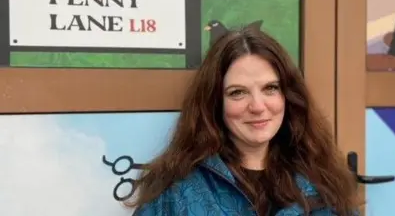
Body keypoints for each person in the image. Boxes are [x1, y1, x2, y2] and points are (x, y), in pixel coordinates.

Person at [127, 25, 360, 215]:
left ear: (288, 96)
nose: (258, 107)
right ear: (214, 102)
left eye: (270, 88)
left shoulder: (323, 177)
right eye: (237, 92)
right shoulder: (175, 191)